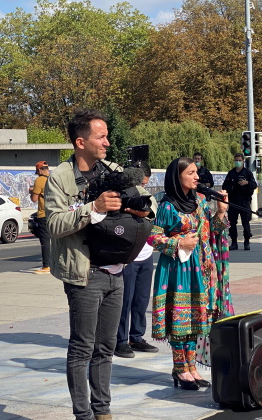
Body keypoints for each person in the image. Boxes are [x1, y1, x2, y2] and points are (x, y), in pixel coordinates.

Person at [45, 108, 156, 420]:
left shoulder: (114, 169)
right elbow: (53, 224)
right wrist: (93, 207)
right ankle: (83, 415)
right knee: (82, 348)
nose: (108, 142)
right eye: (101, 136)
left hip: (116, 273)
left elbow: (150, 203)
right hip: (84, 274)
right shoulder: (60, 177)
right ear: (81, 142)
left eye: (107, 136)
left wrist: (142, 209)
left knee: (105, 349)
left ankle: (103, 412)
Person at [148, 157, 234, 390]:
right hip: (178, 268)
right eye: (191, 173)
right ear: (177, 177)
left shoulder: (200, 201)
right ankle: (180, 368)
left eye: (196, 172)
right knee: (180, 318)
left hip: (202, 267)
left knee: (196, 318)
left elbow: (212, 231)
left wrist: (221, 212)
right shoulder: (167, 206)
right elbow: (153, 237)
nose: (196, 177)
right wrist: (178, 243)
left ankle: (192, 366)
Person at [114, 161, 159, 358]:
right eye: (139, 184)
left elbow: (151, 214)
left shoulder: (146, 196)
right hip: (127, 257)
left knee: (141, 300)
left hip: (146, 255)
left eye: (144, 184)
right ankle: (120, 341)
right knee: (125, 300)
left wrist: (136, 210)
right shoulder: (119, 195)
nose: (141, 188)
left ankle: (137, 336)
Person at [222, 153, 257, 250]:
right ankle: (234, 242)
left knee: (245, 222)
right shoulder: (231, 173)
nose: (238, 162)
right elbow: (224, 186)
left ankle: (247, 242)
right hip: (233, 201)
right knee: (232, 223)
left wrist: (246, 183)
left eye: (239, 160)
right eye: (236, 160)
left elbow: (254, 185)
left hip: (244, 201)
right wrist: (232, 186)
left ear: (243, 161)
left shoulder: (247, 173)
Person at [29, 161, 51, 274]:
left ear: (40, 170)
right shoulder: (53, 179)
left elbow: (34, 199)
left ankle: (46, 266)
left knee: (45, 241)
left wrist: (31, 191)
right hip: (56, 213)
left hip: (44, 214)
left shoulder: (39, 180)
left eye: (37, 172)